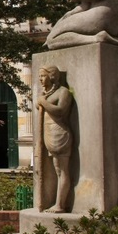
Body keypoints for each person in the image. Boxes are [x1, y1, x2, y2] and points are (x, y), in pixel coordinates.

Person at [36, 65, 74, 213]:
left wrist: (43, 102)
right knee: (57, 170)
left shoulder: (63, 92)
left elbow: (60, 111)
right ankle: (57, 202)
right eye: (39, 77)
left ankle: (60, 204)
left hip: (60, 135)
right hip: (49, 135)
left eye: (43, 76)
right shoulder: (45, 94)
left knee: (62, 170)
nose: (40, 79)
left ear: (52, 77)